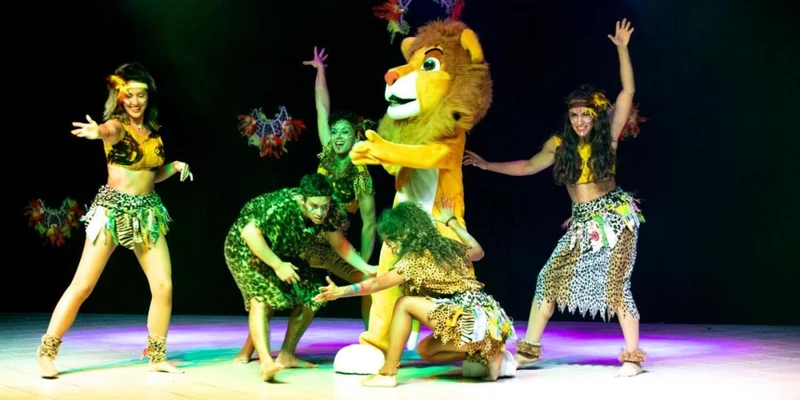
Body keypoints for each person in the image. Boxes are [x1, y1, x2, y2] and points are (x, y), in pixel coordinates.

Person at [462, 19, 645, 377]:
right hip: (582, 223)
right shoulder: (559, 145)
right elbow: (528, 166)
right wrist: (487, 165)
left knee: (616, 284)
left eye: (585, 115)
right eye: (574, 115)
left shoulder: (606, 139)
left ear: (595, 117)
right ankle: (527, 352)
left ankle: (633, 358)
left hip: (614, 220)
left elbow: (627, 92)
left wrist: (622, 49)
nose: (580, 121)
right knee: (547, 279)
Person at [37, 62, 193, 379]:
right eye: (129, 95)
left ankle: (156, 355)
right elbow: (107, 132)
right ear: (120, 97)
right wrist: (97, 132)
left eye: (140, 95)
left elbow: (149, 175)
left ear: (148, 97)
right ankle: (46, 353)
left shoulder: (152, 132)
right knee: (83, 285)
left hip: (147, 214)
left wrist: (174, 166)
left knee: (163, 286)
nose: (135, 101)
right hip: (112, 212)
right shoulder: (116, 125)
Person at [231, 47, 379, 365]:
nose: (337, 137)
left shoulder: (362, 176)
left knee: (370, 284)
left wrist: (365, 264)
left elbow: (369, 224)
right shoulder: (327, 152)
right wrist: (320, 71)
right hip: (304, 238)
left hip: (330, 244)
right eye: (335, 132)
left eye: (345, 132)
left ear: (356, 136)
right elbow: (322, 108)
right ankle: (249, 350)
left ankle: (373, 341)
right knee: (274, 286)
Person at [314, 201, 517, 387]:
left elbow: (377, 283)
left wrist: (342, 291)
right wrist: (453, 223)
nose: (392, 249)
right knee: (426, 350)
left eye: (391, 243)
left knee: (404, 304)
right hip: (490, 320)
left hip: (469, 319)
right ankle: (489, 353)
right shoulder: (447, 247)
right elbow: (478, 251)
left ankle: (388, 374)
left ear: (404, 235)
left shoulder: (414, 260)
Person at [224, 173, 377, 382]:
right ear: (302, 200)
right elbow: (249, 234)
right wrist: (278, 265)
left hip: (283, 251)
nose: (320, 213)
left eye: (324, 206)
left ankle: (286, 354)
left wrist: (366, 267)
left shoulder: (330, 208)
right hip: (246, 249)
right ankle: (267, 363)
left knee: (313, 295)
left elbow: (339, 243)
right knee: (261, 298)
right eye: (314, 206)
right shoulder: (282, 207)